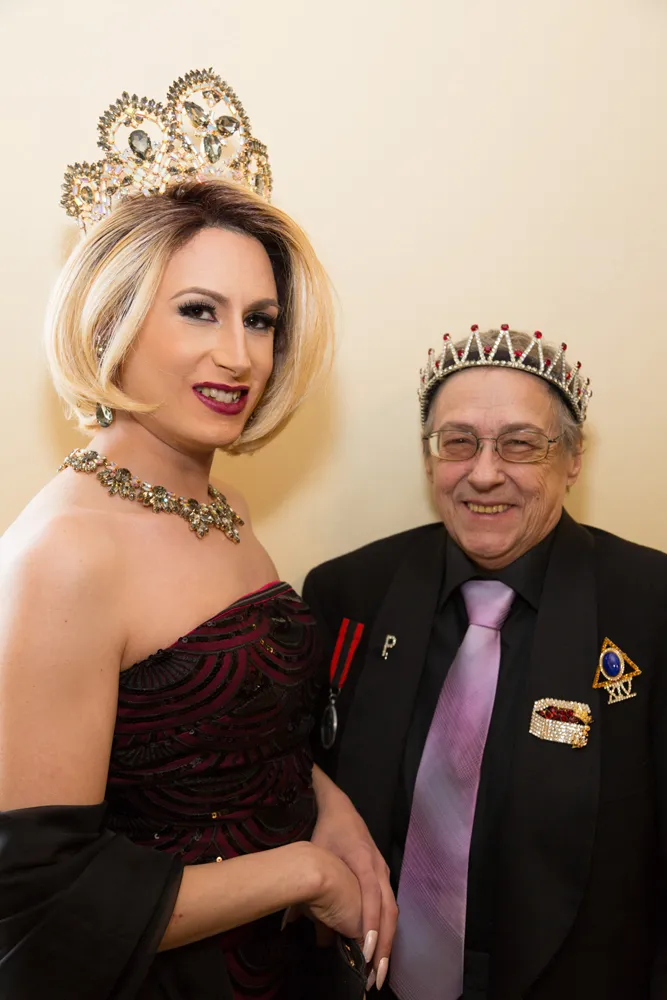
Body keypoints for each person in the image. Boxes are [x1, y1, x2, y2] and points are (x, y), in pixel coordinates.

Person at [0, 68, 395, 1000]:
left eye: (260, 320)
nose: (240, 355)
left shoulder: (225, 506)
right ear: (114, 316)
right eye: (197, 311)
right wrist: (305, 873)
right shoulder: (66, 555)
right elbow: (36, 904)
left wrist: (328, 803)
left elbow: (233, 738)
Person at [303, 324, 667, 1000]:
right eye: (458, 442)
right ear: (429, 457)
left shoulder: (650, 605)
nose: (484, 473)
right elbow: (292, 775)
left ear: (573, 459)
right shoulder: (347, 594)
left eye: (521, 443)